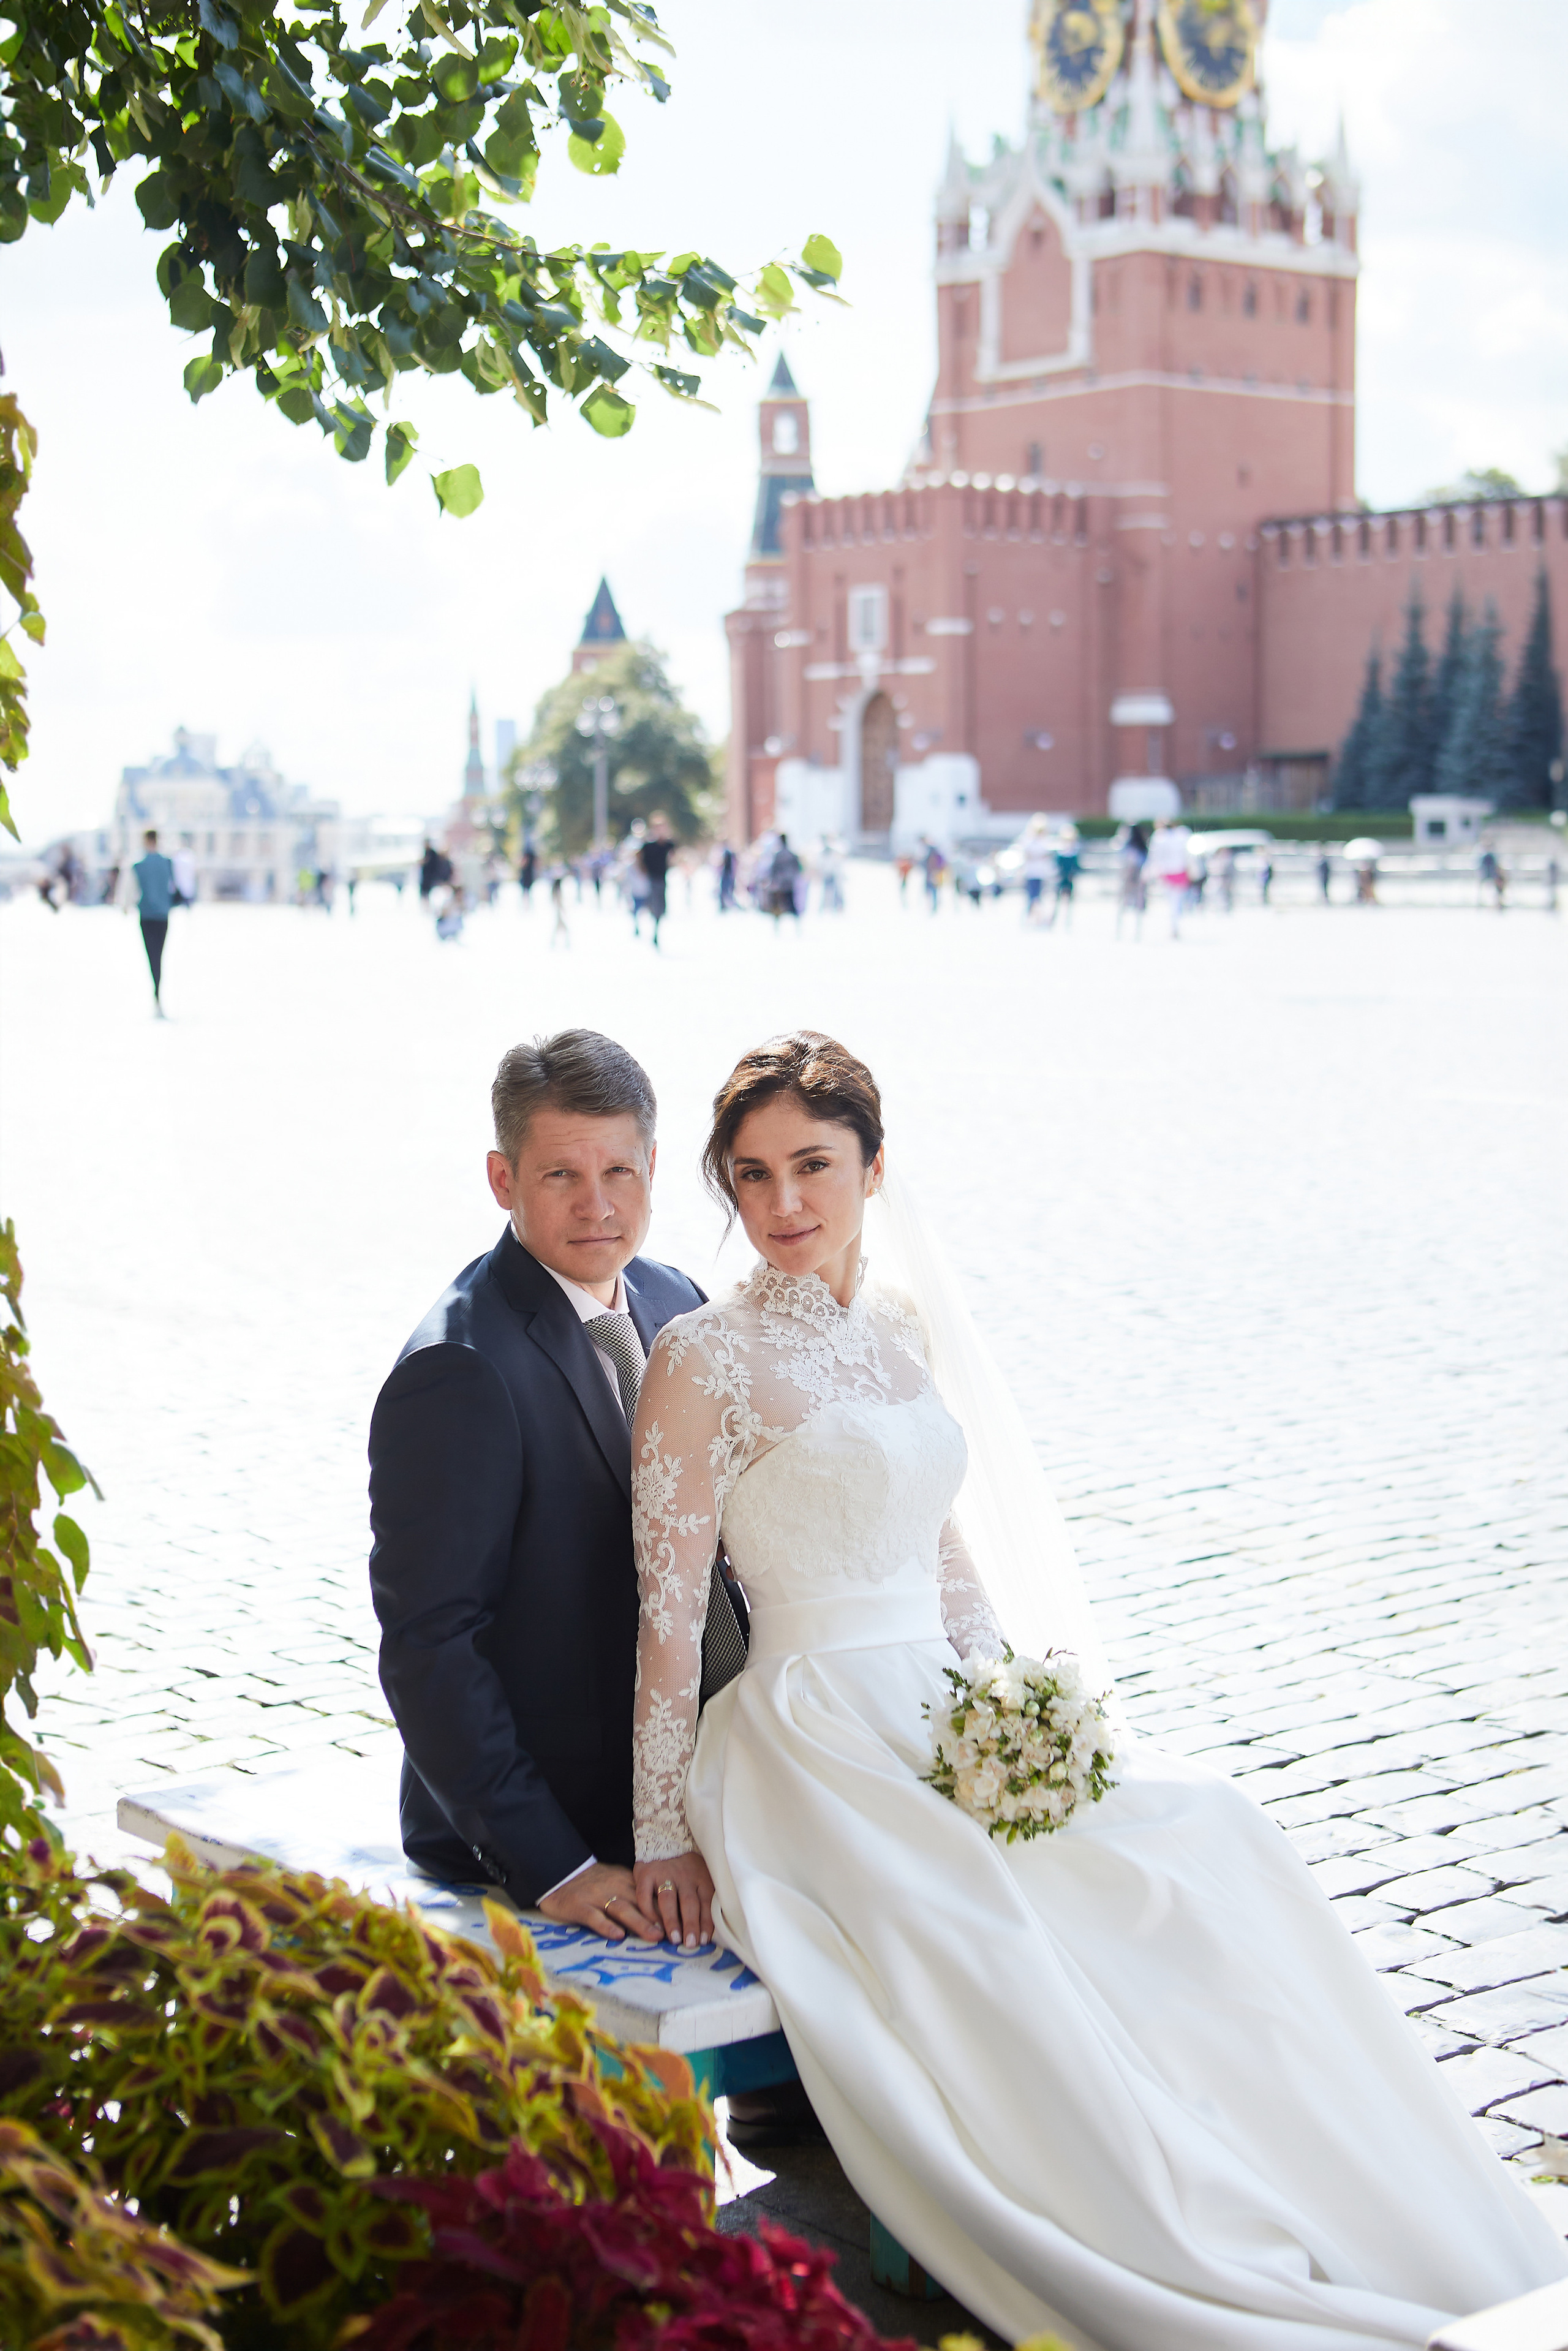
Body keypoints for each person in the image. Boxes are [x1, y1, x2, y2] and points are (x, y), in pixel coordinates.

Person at [625, 1030, 1568, 2351]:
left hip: (944, 1709)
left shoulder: (896, 1328)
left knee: (1207, 1830)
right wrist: (663, 1827)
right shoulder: (700, 1358)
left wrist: (1029, 1715)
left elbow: (944, 1558)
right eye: (752, 1174)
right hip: (808, 1733)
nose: (783, 1203)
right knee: (990, 1930)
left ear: (873, 1167)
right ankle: (1159, 2215)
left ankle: (1350, 2184)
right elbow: (668, 1624)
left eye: (812, 1166)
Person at [368, 1030, 736, 1945]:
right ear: (503, 1179)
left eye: (619, 1169)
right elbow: (430, 1644)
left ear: (654, 1164)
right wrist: (556, 1866)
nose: (598, 1205)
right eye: (560, 1176)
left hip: (703, 1782)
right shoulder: (459, 1368)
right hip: (570, 1826)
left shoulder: (675, 1299)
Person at [132, 827, 176, 1017]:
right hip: (163, 915)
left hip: (146, 916)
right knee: (160, 956)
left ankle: (156, 995)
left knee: (152, 956)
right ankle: (158, 994)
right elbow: (175, 888)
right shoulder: (167, 863)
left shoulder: (138, 866)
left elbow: (132, 892)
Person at [1144, 817, 1189, 937]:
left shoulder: (1159, 837)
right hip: (1179, 871)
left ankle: (1174, 924)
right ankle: (1175, 924)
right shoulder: (1182, 835)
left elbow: (1154, 857)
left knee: (1172, 900)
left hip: (1167, 872)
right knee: (1177, 900)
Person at [638, 813, 675, 949]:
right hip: (651, 880)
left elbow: (676, 857)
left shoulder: (669, 844)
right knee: (655, 905)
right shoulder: (648, 845)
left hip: (663, 879)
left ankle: (656, 930)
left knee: (662, 908)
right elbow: (639, 860)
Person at [1115, 823, 1148, 938]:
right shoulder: (1142, 847)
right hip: (1138, 879)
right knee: (1137, 904)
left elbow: (1124, 861)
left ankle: (1120, 932)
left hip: (1129, 878)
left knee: (1124, 904)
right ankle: (1136, 933)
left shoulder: (1128, 847)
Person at [1019, 818, 1052, 924]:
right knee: (1032, 897)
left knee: (1039, 897)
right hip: (1031, 873)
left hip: (1041, 873)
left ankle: (1039, 918)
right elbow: (1027, 855)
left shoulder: (1045, 842)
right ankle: (1029, 918)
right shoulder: (1028, 841)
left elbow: (1047, 856)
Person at [766, 832, 803, 925]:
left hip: (781, 885)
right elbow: (798, 869)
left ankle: (777, 927)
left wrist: (773, 881)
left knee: (779, 907)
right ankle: (797, 926)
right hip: (790, 883)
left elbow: (773, 870)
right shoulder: (792, 854)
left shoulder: (778, 855)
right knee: (792, 906)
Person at [1049, 824, 1080, 926]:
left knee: (1068, 899)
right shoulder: (1060, 851)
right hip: (1060, 878)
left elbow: (1077, 866)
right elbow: (1056, 866)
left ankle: (1067, 920)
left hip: (1070, 878)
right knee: (1056, 899)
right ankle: (1053, 919)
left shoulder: (1074, 852)